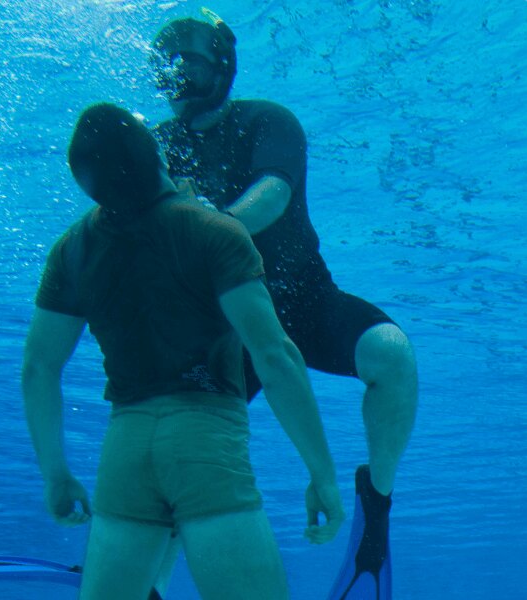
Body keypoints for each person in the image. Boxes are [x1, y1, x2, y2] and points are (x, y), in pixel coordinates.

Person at [22, 102, 344, 600]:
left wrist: (55, 474)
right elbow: (275, 356)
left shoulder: (72, 250)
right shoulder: (212, 231)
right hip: (205, 444)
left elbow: (40, 368)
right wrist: (322, 473)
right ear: (158, 157)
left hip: (124, 450)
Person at [148, 10, 419, 596]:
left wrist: (211, 226)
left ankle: (377, 499)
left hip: (306, 299)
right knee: (181, 457)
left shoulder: (267, 120)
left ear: (222, 64)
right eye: (165, 64)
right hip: (227, 326)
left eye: (189, 59)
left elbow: (273, 194)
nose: (176, 75)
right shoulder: (158, 147)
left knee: (393, 356)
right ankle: (148, 578)